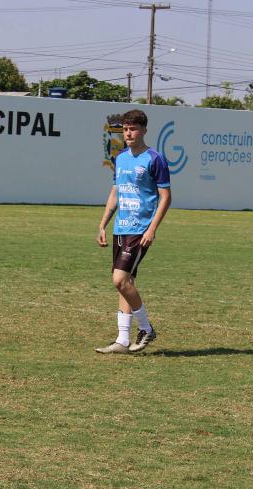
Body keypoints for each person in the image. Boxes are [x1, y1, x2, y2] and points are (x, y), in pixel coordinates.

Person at [95, 109, 171, 354]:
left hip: (140, 229)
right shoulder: (120, 158)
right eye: (126, 129)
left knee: (119, 279)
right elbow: (116, 191)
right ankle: (122, 340)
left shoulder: (155, 158)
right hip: (121, 227)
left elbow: (165, 197)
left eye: (133, 129)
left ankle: (147, 328)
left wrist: (152, 229)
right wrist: (103, 223)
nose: (128, 133)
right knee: (125, 282)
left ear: (144, 130)